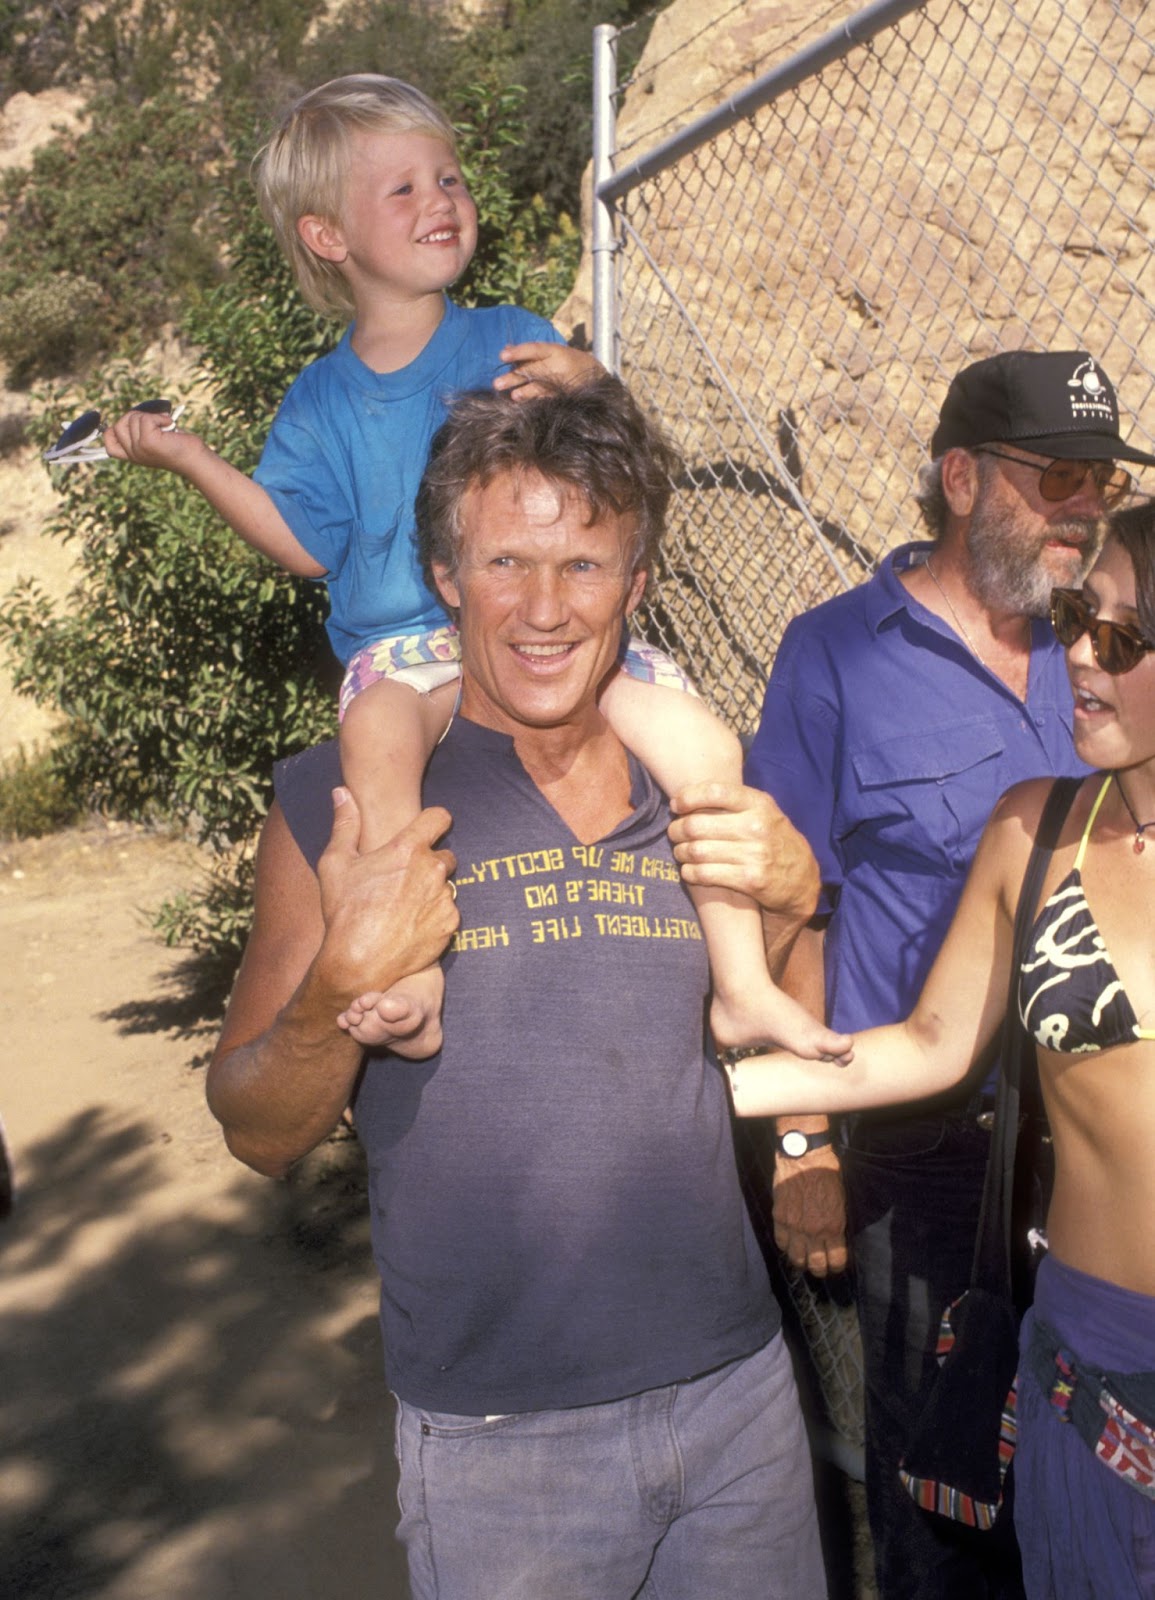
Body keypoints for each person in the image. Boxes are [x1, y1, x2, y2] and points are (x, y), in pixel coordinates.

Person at [206, 375, 832, 1599]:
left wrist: (799, 899)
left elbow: (794, 1028)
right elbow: (256, 1131)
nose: (544, 609)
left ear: (637, 585)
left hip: (737, 1396)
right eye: (506, 563)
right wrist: (342, 987)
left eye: (585, 567)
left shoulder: (689, 783)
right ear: (447, 576)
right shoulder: (337, 803)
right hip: (503, 1447)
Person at [103, 72, 847, 1070]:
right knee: (374, 734)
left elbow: (603, 471)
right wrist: (192, 458)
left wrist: (597, 386)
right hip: (404, 646)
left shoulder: (507, 334)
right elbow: (304, 542)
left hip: (543, 628)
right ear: (330, 237)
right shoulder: (319, 401)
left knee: (703, 741)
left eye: (447, 179)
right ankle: (408, 968)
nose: (440, 201)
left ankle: (743, 986)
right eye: (402, 189)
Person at [743, 349, 1155, 1598]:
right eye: (1062, 479)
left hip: (1077, 1154)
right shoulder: (834, 657)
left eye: (1104, 483)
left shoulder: (1083, 663)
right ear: (963, 478)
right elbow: (790, 907)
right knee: (944, 1484)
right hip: (930, 1152)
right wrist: (801, 1138)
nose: (1085, 510)